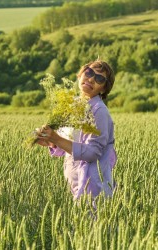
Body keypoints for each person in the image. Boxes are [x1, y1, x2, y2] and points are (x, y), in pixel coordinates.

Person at [37, 59, 117, 200]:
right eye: (89, 72)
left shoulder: (99, 111)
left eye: (99, 78)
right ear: (80, 75)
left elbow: (93, 152)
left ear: (104, 89)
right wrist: (51, 142)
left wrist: (56, 138)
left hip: (94, 187)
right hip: (74, 182)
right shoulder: (74, 106)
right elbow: (69, 142)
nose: (91, 79)